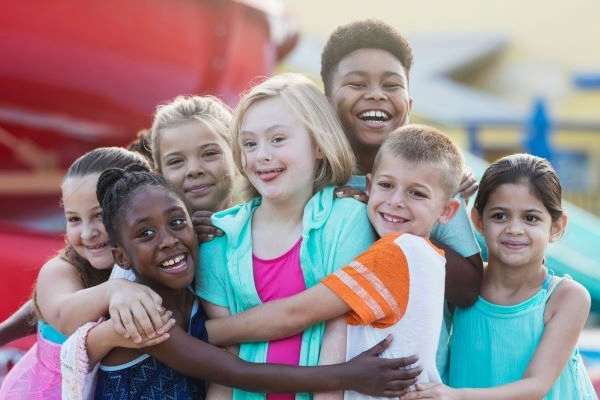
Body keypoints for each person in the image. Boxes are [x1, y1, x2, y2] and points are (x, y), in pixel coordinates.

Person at [70, 165, 420, 399]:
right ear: (121, 256)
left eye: (176, 222)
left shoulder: (195, 296)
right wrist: (347, 375)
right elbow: (237, 371)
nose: (168, 240)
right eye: (145, 233)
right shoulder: (141, 317)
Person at [205, 124, 464, 400]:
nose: (396, 201)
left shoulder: (397, 252)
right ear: (367, 186)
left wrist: (203, 332)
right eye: (386, 185)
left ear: (447, 211)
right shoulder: (432, 259)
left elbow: (297, 313)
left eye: (417, 193)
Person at [196, 72, 381, 400]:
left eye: (278, 139)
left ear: (319, 145)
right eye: (250, 144)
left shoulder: (347, 220)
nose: (262, 155)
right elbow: (224, 366)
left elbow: (340, 334)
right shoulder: (220, 237)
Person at [319, 19, 483, 380]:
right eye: (358, 83)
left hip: (413, 380)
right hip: (326, 376)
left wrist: (394, 228)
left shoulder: (436, 182)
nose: (376, 94)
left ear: (408, 104)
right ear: (328, 102)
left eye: (390, 85)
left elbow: (470, 286)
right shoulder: (314, 180)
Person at [400, 153, 598, 400]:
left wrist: (454, 396)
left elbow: (536, 385)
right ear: (478, 221)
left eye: (530, 218)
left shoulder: (565, 297)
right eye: (499, 216)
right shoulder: (462, 285)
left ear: (556, 227)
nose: (514, 229)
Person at [0, 147, 172, 399]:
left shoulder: (146, 262)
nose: (87, 232)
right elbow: (62, 313)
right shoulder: (60, 270)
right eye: (74, 219)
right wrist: (115, 291)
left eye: (99, 215)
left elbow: (36, 309)